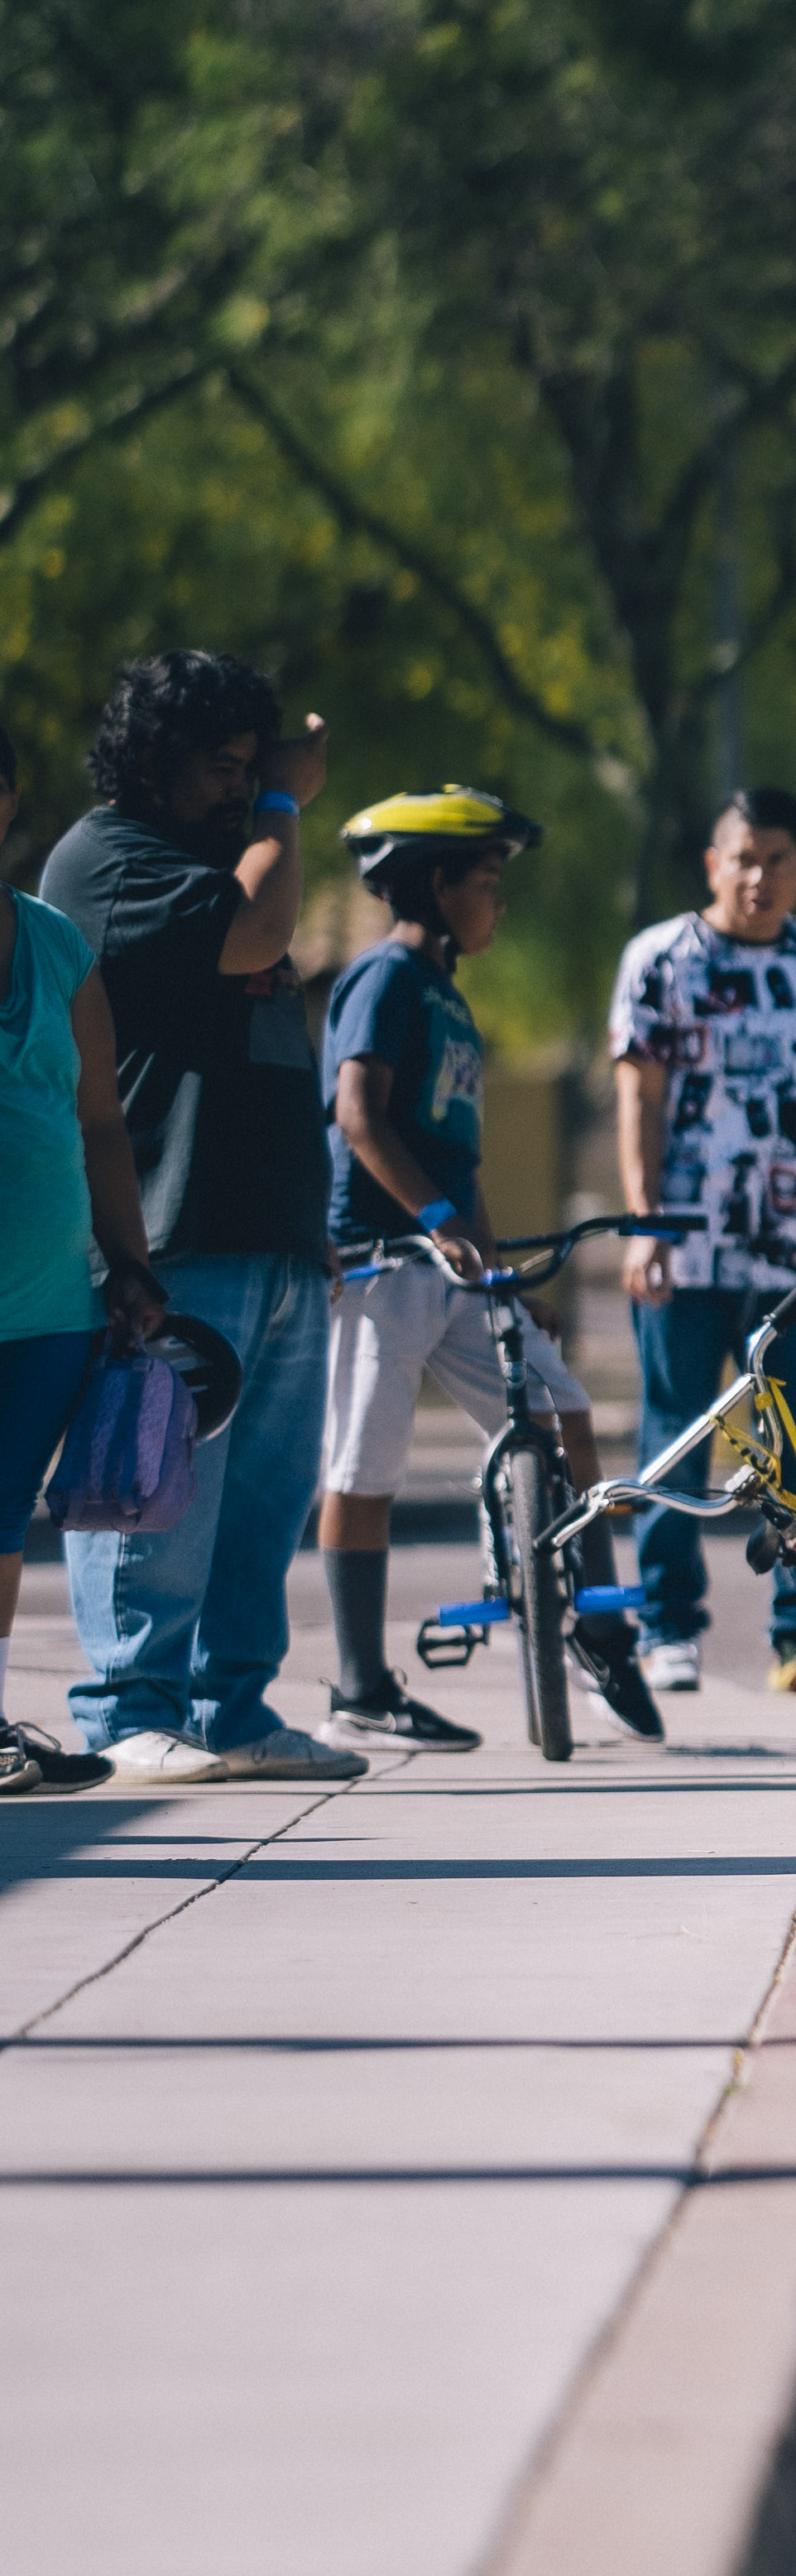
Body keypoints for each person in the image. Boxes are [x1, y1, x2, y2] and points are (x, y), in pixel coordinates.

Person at [35, 651, 357, 1785]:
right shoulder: (111, 856)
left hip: (269, 1224)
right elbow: (261, 937)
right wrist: (282, 798)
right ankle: (129, 1710)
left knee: (264, 1496)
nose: (236, 788)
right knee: (153, 1485)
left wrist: (309, 1218)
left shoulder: (228, 853)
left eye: (246, 767)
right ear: (151, 760)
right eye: (218, 768)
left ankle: (231, 1707)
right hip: (173, 1231)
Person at [313, 789, 642, 1754]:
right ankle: (361, 1684)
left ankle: (600, 1623)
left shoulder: (448, 997)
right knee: (364, 1469)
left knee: (561, 1408)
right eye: (487, 882)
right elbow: (359, 1117)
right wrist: (440, 1224)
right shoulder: (382, 979)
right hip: (381, 1263)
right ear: (433, 883)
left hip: (454, 1268)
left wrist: (496, 1271)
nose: (498, 902)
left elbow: (459, 1160)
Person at [608, 787, 796, 1690]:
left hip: (792, 1255)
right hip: (685, 1247)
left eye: (779, 859)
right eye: (743, 857)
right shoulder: (661, 959)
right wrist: (643, 1224)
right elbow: (640, 1096)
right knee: (676, 1431)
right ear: (713, 863)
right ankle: (667, 1629)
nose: (760, 876)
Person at [0, 728, 170, 1795]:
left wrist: (131, 1266)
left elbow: (102, 1125)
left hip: (49, 1304)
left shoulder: (58, 948)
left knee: (6, 1521)